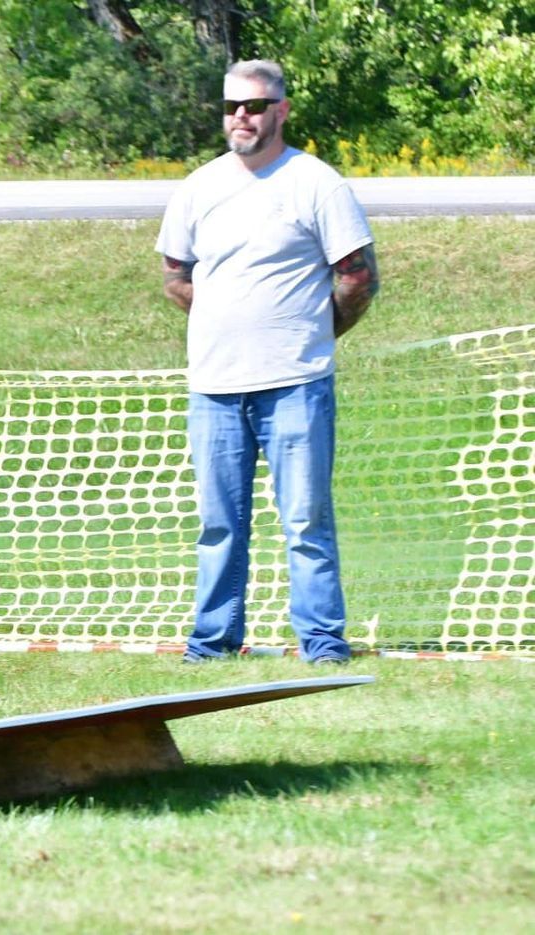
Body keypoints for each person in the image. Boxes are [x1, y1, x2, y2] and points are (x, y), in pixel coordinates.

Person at [156, 60, 380, 665]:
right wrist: (225, 320)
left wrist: (312, 332)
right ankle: (212, 644)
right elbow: (176, 276)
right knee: (219, 528)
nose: (240, 118)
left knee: (306, 524)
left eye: (254, 107)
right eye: (231, 106)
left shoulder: (316, 183)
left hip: (296, 386)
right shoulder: (199, 187)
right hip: (214, 388)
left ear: (280, 110)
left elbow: (357, 277)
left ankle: (324, 644)